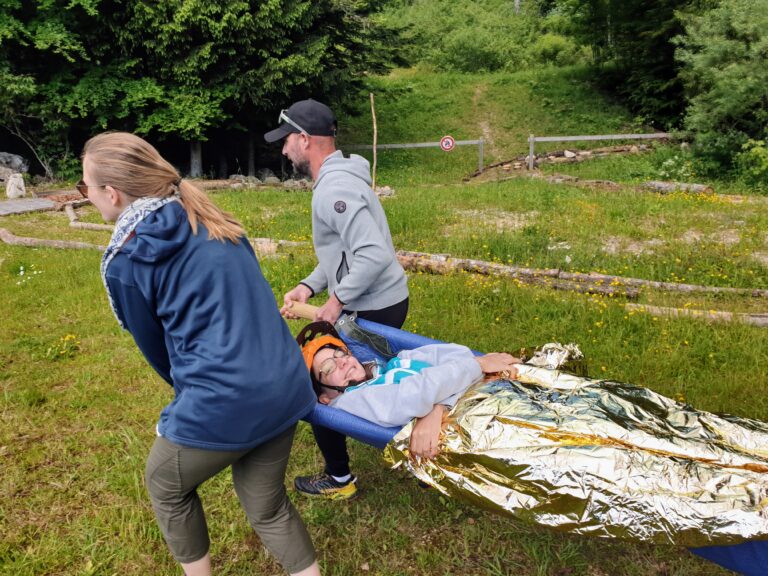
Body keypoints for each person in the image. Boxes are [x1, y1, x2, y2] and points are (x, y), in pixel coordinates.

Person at [79, 132, 320, 576]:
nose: (88, 198)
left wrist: (199, 404)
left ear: (110, 193)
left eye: (85, 189)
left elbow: (158, 353)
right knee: (266, 507)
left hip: (228, 397)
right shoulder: (213, 217)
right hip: (287, 385)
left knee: (164, 483)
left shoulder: (126, 260)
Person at [265, 99, 409, 499]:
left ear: (305, 139)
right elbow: (343, 254)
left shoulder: (335, 189)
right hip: (378, 298)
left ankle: (340, 478)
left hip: (374, 303)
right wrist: (310, 287)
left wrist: (337, 300)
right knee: (356, 375)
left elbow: (374, 254)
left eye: (286, 141)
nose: (283, 150)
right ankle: (411, 418)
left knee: (321, 387)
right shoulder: (340, 179)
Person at [297, 321, 520, 459]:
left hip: (491, 393)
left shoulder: (395, 363)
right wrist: (477, 366)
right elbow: (413, 397)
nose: (342, 362)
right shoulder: (355, 399)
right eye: (328, 368)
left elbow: (459, 353)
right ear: (325, 397)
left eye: (340, 354)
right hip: (480, 421)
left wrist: (437, 407)